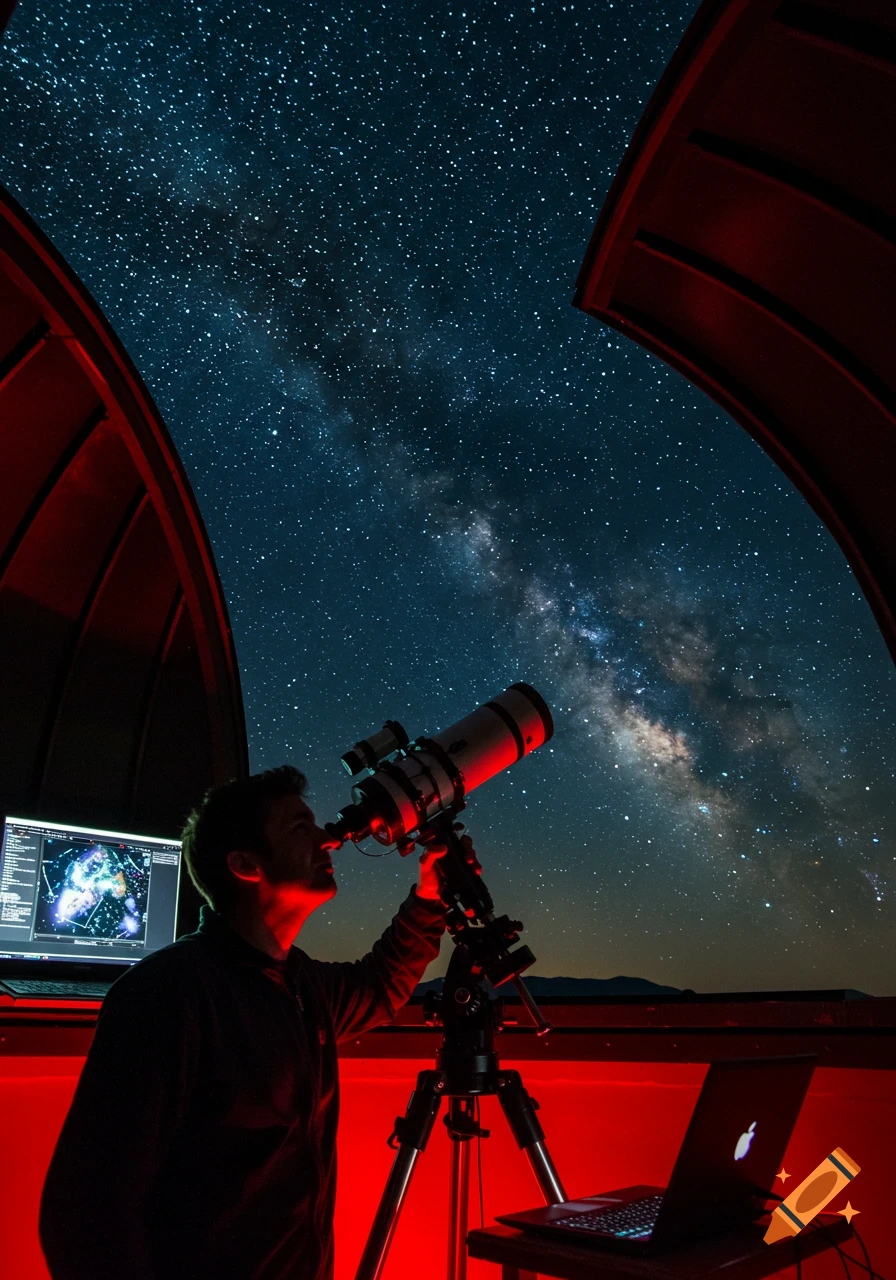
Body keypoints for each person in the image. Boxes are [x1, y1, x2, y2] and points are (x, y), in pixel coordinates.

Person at [39, 766, 449, 1280]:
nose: (328, 840)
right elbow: (83, 1213)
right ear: (245, 864)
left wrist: (430, 896)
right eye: (301, 828)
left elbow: (379, 986)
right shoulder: (167, 994)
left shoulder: (302, 986)